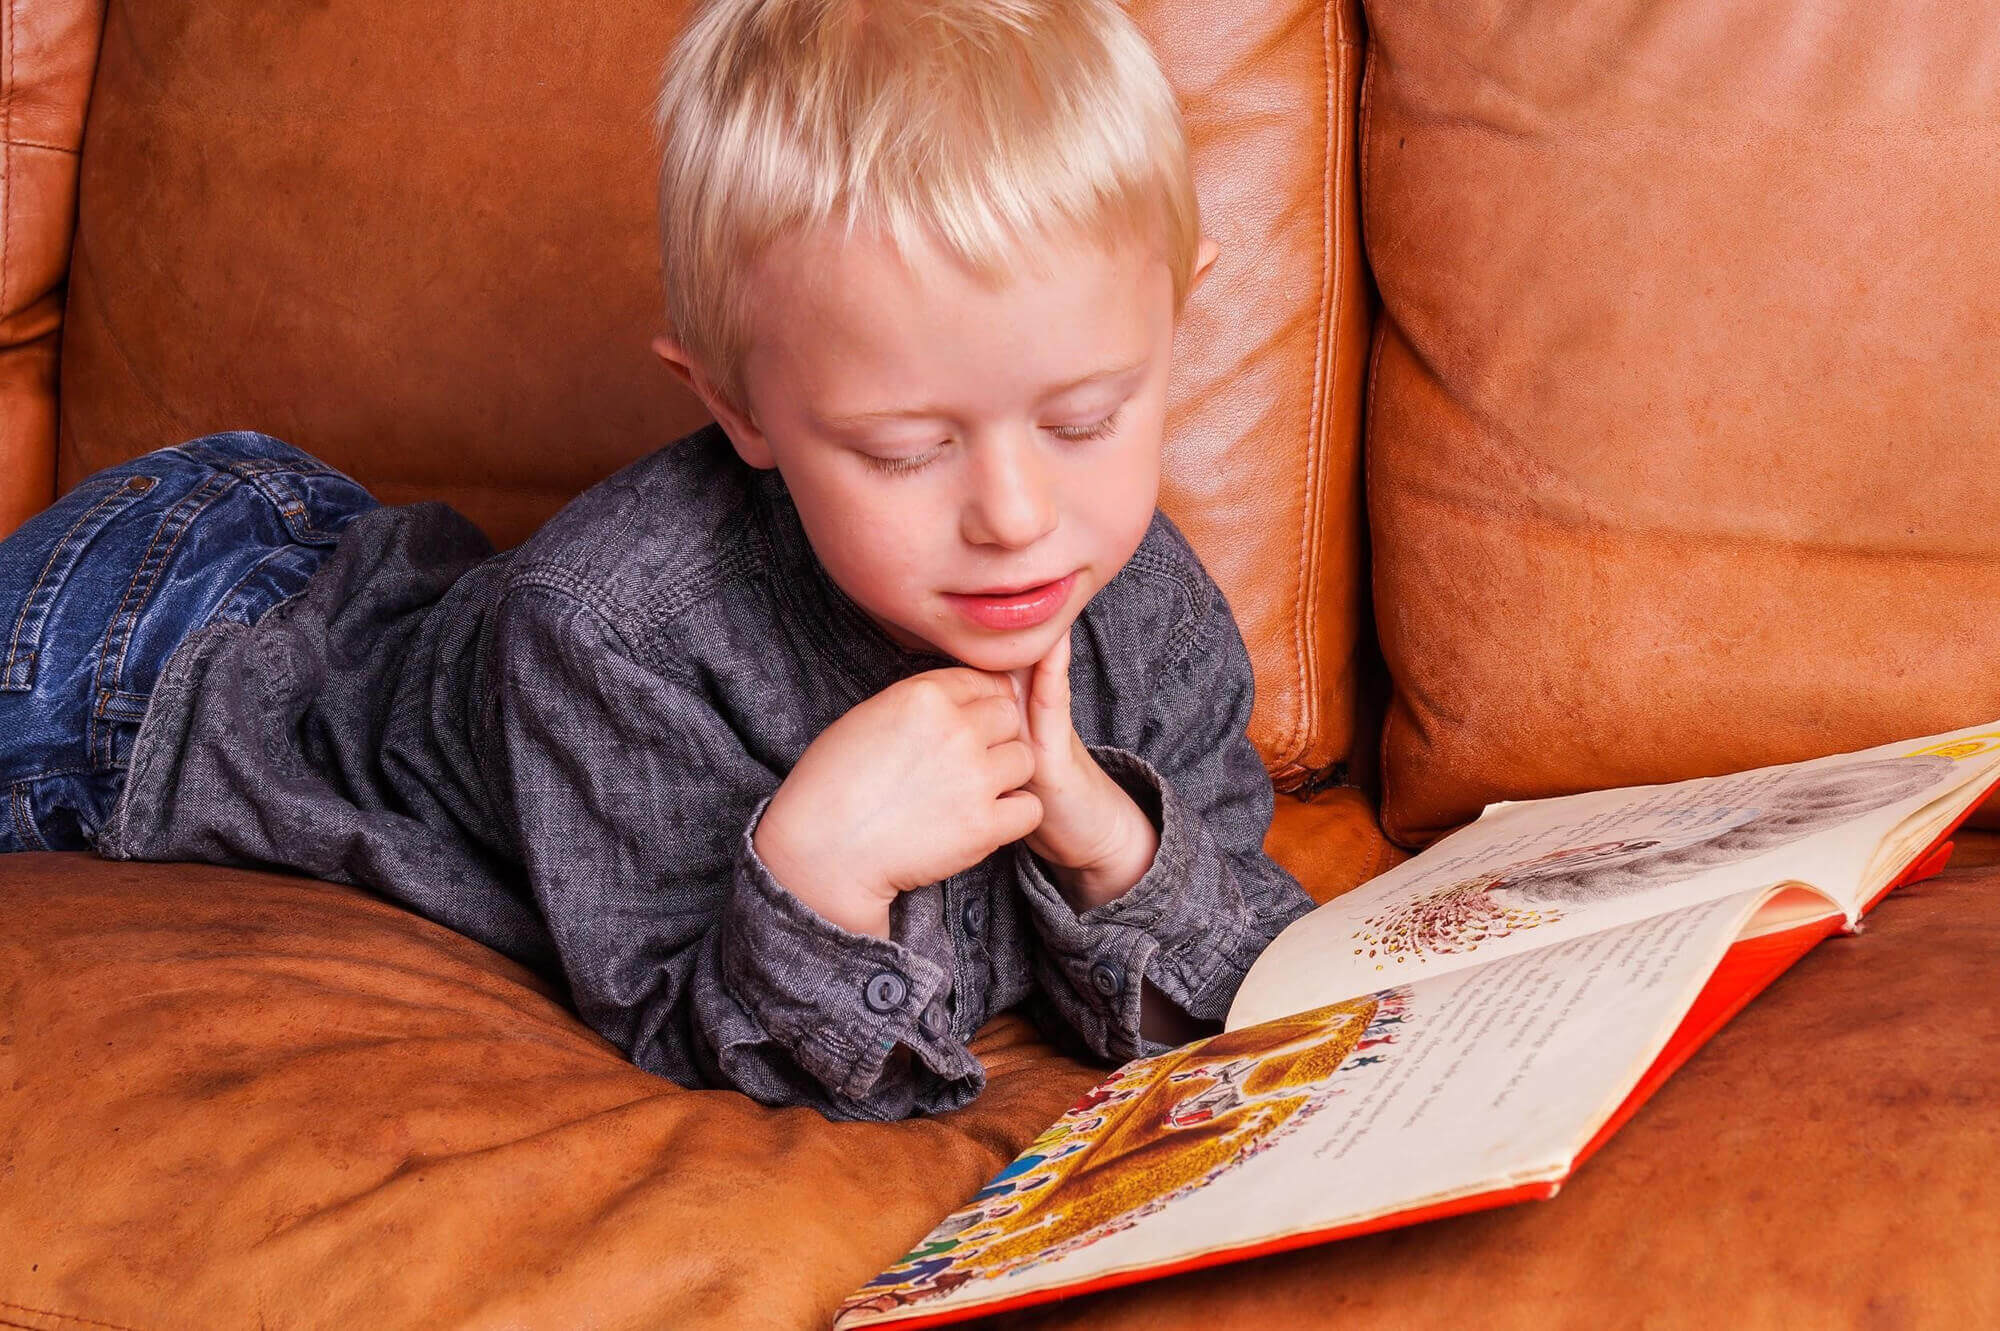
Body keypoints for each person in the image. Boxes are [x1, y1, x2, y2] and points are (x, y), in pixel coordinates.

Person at [0, 0, 1316, 1121]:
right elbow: (700, 1036)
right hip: (140, 657)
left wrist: (1109, 843)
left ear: (1177, 319)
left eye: (1085, 418)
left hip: (354, 571)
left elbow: (1256, 967)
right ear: (739, 409)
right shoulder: (615, 629)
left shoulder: (1144, 604)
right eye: (907, 450)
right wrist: (816, 875)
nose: (1018, 514)